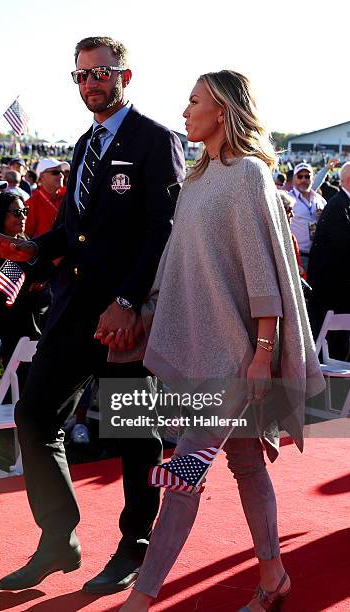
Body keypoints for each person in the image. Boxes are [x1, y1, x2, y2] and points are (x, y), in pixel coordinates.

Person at [0, 35, 185, 594]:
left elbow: (163, 230)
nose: (90, 83)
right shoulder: (85, 144)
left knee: (134, 433)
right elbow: (72, 229)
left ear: (125, 76)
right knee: (35, 414)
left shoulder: (156, 140)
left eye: (100, 73)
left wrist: (129, 301)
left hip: (127, 318)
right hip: (73, 310)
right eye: (81, 75)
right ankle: (58, 537)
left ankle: (134, 546)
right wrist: (32, 251)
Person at [120, 70, 324, 612]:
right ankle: (274, 578)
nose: (184, 111)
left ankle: (140, 600)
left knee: (183, 473)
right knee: (247, 465)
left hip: (235, 360)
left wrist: (262, 355)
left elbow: (263, 276)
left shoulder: (248, 175)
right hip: (201, 353)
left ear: (224, 110)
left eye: (194, 102)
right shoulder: (196, 178)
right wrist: (145, 311)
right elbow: (178, 263)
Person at [0, 192, 52, 369]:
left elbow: (46, 272)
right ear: (1, 216)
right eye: (16, 213)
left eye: (25, 211)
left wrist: (38, 278)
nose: (22, 217)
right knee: (19, 383)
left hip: (38, 320)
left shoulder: (26, 241)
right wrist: (35, 278)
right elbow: (23, 283)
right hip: (14, 324)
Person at [307, 161, 350, 360]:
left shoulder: (343, 203)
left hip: (339, 290)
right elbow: (343, 246)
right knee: (334, 349)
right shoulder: (338, 206)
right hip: (333, 291)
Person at [288, 162, 326, 271]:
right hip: (298, 256)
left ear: (312, 178)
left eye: (307, 176)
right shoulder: (288, 199)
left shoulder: (319, 199)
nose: (303, 180)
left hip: (319, 254)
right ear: (294, 179)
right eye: (300, 176)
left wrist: (323, 217)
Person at [24, 158, 69, 238]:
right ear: (41, 175)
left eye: (62, 172)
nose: (61, 175)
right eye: (55, 172)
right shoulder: (31, 203)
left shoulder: (69, 195)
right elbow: (27, 236)